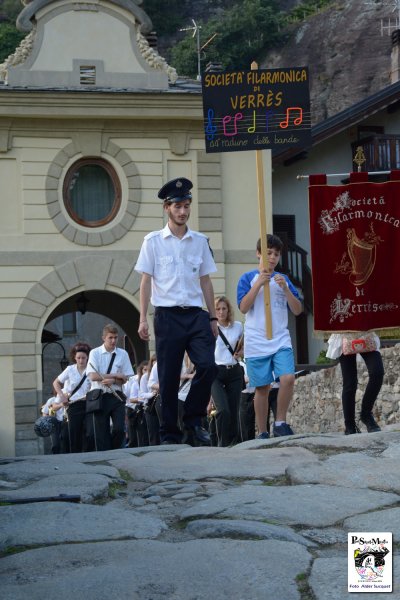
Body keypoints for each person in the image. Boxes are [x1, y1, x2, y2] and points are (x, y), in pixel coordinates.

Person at [135, 177, 218, 446]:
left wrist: (213, 317)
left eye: (186, 205)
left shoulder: (200, 241)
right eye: (177, 206)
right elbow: (145, 281)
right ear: (166, 208)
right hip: (167, 316)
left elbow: (205, 280)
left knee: (207, 365)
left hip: (195, 315)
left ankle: (193, 421)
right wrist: (142, 318)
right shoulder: (153, 242)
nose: (183, 211)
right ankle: (170, 433)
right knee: (168, 378)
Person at [237, 234, 302, 439]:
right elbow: (243, 307)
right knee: (262, 387)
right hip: (256, 339)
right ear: (259, 254)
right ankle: (263, 431)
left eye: (276, 254)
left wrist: (285, 289)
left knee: (288, 378)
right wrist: (258, 285)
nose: (272, 258)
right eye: (268, 253)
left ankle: (280, 422)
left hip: (280, 337)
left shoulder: (283, 280)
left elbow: (298, 309)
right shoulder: (247, 278)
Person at [86, 324, 134, 451]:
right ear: (104, 338)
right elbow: (93, 376)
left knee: (119, 428)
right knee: (101, 431)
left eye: (115, 338)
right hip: (99, 395)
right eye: (110, 338)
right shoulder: (95, 353)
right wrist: (116, 375)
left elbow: (126, 377)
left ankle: (115, 452)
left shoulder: (123, 354)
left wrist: (112, 380)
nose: (113, 341)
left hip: (116, 395)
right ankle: (105, 455)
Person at [326, 332, 384, 434]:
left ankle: (366, 414)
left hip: (366, 330)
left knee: (377, 372)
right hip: (344, 333)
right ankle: (349, 425)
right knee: (350, 382)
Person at [211, 295, 244, 446]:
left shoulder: (237, 326)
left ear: (228, 310)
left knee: (233, 409)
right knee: (223, 410)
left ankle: (234, 443)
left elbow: (244, 346)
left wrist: (241, 352)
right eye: (218, 309)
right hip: (216, 371)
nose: (221, 312)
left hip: (234, 371)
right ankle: (222, 444)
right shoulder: (210, 327)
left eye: (224, 308)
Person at [53, 342, 91, 453]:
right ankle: (76, 456)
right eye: (78, 357)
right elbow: (56, 382)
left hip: (88, 404)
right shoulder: (70, 369)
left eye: (83, 358)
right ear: (74, 357)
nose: (81, 360)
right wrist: (62, 396)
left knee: (89, 431)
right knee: (74, 433)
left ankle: (89, 454)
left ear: (87, 357)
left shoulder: (91, 369)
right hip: (73, 405)